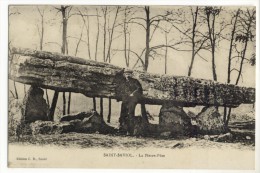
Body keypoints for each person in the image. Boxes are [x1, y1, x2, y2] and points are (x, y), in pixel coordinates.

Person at [118, 69, 143, 135]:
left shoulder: (135, 81)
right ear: (124, 75)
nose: (127, 75)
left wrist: (133, 94)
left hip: (132, 100)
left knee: (130, 114)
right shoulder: (123, 82)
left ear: (131, 75)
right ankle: (122, 129)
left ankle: (130, 131)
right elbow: (119, 90)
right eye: (126, 74)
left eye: (129, 74)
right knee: (123, 114)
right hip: (125, 100)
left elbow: (139, 89)